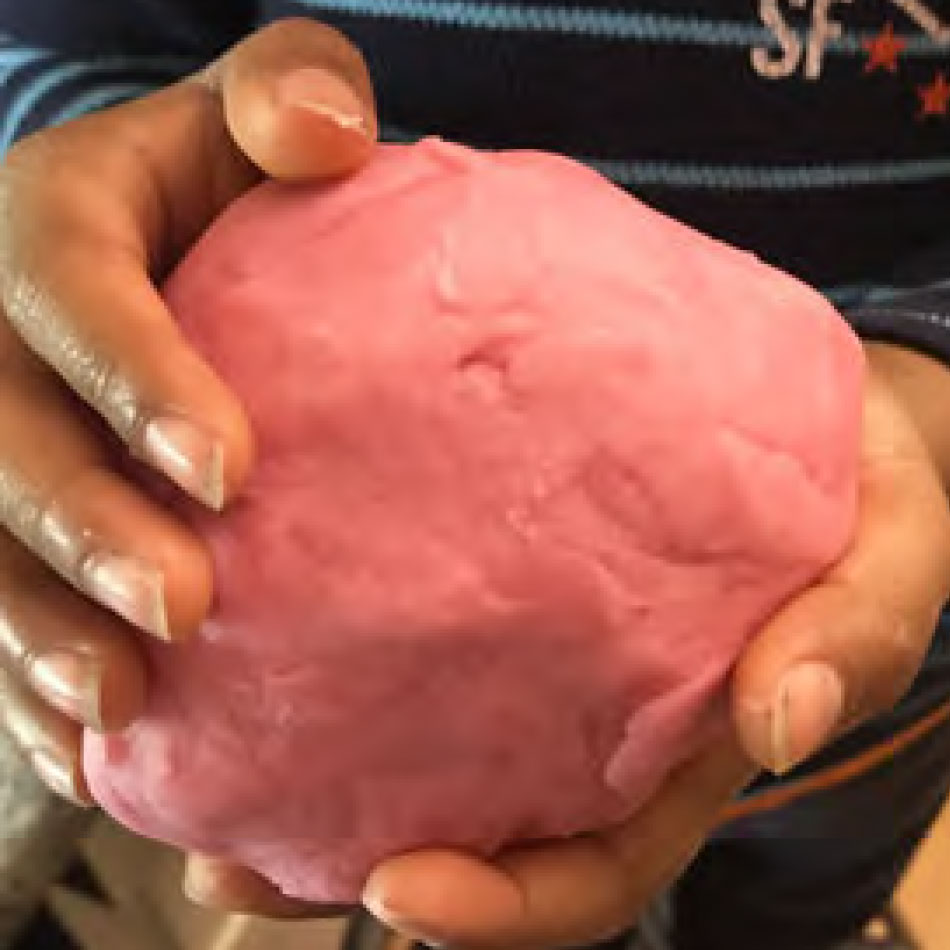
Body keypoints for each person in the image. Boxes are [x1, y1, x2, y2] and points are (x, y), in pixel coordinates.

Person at [0, 4, 949, 949]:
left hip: (888, 649)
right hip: (325, 666)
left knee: (797, 895)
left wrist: (926, 374)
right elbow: (51, 50)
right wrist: (91, 240)